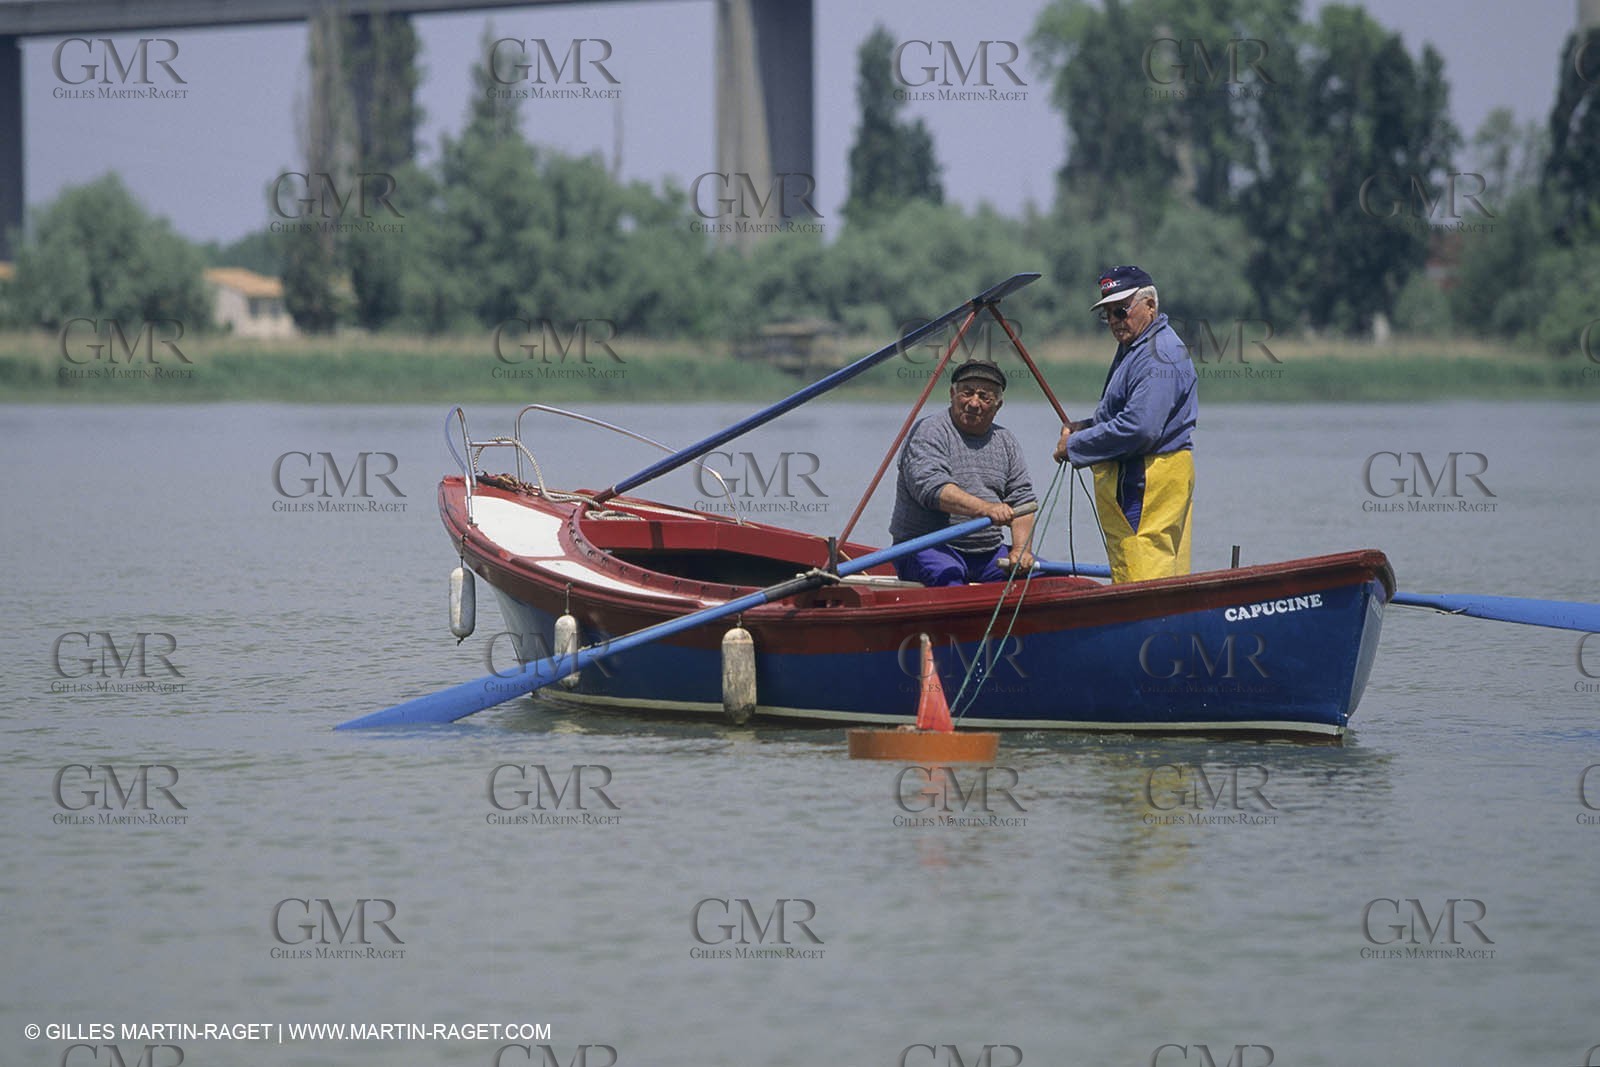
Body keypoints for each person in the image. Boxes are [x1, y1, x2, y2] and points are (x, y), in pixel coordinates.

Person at [1052, 265, 1197, 583]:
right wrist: (1086, 427)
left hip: (1146, 477)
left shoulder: (1158, 353)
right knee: (1161, 570)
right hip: (1158, 470)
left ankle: (1148, 629)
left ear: (1150, 306)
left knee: (1142, 567)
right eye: (1107, 315)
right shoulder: (1136, 346)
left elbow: (1140, 428)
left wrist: (1075, 445)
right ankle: (1168, 628)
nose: (1115, 322)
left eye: (1120, 311)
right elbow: (1128, 413)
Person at [890, 359, 1038, 587]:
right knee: (949, 575)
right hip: (925, 547)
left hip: (987, 554)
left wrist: (1020, 550)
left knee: (1047, 578)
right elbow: (934, 490)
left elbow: (1023, 502)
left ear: (998, 405)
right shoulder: (929, 431)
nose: (974, 403)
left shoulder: (1006, 441)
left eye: (984, 397)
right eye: (967, 393)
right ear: (952, 394)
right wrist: (987, 509)